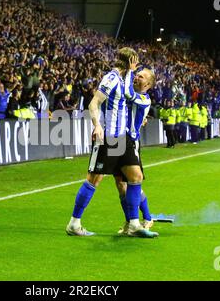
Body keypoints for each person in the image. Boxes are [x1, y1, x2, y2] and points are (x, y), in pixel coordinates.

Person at [66, 48, 151, 238]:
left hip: (123, 138)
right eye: (135, 62)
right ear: (130, 62)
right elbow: (94, 103)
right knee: (94, 179)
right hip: (108, 138)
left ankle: (134, 224)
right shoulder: (111, 79)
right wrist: (97, 126)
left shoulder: (124, 80)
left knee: (135, 177)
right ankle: (74, 223)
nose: (136, 67)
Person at [115, 67, 159, 237]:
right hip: (116, 140)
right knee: (120, 185)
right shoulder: (129, 92)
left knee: (134, 181)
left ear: (148, 83)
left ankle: (147, 218)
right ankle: (129, 222)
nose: (136, 77)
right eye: (136, 74)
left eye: (140, 76)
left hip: (131, 143)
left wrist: (127, 71)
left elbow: (128, 94)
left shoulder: (144, 99)